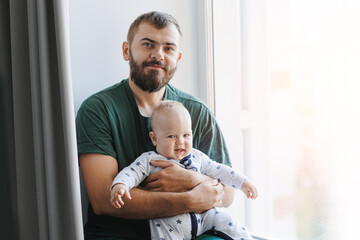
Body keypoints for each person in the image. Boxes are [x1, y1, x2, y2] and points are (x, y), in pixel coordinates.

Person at [76, 11, 236, 239]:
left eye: (168, 48)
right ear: (126, 50)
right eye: (148, 44)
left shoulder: (196, 111)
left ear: (178, 57)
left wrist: (194, 180)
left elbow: (228, 193)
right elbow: (104, 200)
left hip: (193, 232)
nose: (158, 55)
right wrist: (189, 198)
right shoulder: (98, 110)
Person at [110, 100, 258, 240]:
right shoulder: (149, 159)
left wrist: (243, 183)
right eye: (171, 136)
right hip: (169, 223)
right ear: (154, 138)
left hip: (204, 217)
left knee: (229, 222)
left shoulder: (196, 155)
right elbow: (131, 172)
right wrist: (121, 185)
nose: (180, 141)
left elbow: (220, 170)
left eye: (186, 135)